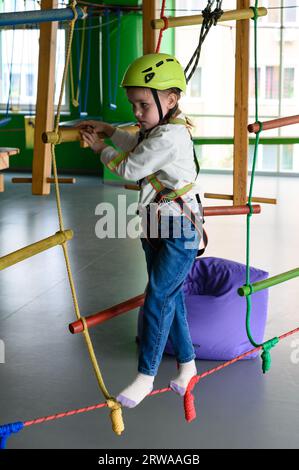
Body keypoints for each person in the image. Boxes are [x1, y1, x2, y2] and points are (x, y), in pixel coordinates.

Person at [77, 53, 203, 408]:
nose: (136, 112)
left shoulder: (172, 136)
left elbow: (131, 167)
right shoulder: (160, 131)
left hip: (179, 229)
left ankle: (146, 376)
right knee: (171, 297)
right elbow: (138, 145)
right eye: (133, 104)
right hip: (158, 225)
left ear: (171, 100)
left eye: (143, 104)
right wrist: (111, 130)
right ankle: (188, 365)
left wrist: (101, 147)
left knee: (158, 297)